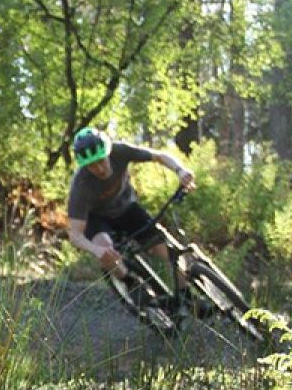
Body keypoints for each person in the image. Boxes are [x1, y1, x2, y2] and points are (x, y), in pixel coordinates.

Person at [66, 127, 207, 314]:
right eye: (92, 166)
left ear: (108, 153)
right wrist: (96, 250)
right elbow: (75, 234)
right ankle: (130, 283)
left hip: (126, 208)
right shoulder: (81, 186)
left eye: (101, 161)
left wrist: (180, 171)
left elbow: (159, 156)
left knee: (162, 248)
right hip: (98, 219)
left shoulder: (120, 151)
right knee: (105, 248)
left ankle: (187, 295)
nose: (99, 169)